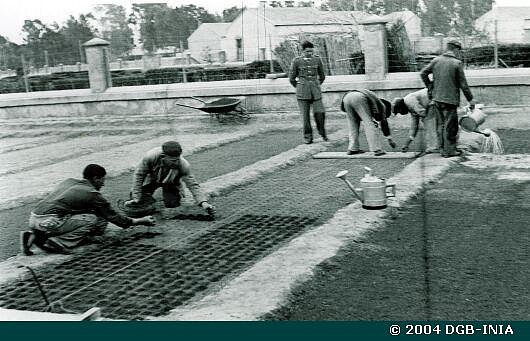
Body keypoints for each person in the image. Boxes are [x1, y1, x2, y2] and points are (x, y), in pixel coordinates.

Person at [20, 164, 155, 255]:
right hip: (51, 220)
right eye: (102, 179)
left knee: (80, 214)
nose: (103, 183)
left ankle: (33, 235)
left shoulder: (69, 181)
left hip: (35, 217)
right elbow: (115, 218)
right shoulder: (92, 194)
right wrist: (141, 220)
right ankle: (60, 242)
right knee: (91, 219)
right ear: (96, 178)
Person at [124, 141, 215, 218]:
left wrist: (203, 202)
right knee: (137, 201)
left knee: (172, 204)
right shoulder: (150, 157)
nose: (176, 163)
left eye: (177, 159)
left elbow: (193, 184)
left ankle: (164, 198)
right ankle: (152, 200)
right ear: (163, 156)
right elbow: (139, 175)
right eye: (172, 160)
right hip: (152, 178)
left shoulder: (183, 164)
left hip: (171, 182)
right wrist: (136, 197)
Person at [420, 39, 476, 157]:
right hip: (450, 100)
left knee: (440, 125)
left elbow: (423, 73)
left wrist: (430, 87)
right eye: (459, 50)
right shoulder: (456, 63)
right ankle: (450, 151)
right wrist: (471, 99)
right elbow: (463, 85)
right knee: (450, 126)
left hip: (436, 99)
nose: (459, 53)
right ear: (455, 49)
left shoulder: (436, 60)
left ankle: (442, 148)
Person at [289, 40, 328, 144]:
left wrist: (316, 85)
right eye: (307, 51)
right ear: (302, 52)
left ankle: (322, 132)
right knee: (305, 117)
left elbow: (322, 76)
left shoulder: (317, 59)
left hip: (316, 92)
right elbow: (292, 78)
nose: (310, 53)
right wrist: (300, 86)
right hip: (302, 92)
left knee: (320, 113)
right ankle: (308, 137)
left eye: (311, 51)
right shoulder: (296, 61)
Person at [340, 89, 397, 156]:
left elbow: (360, 116)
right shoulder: (382, 106)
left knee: (353, 124)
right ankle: (377, 149)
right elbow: (383, 121)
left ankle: (352, 149)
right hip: (359, 97)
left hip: (346, 97)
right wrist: (389, 138)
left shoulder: (373, 102)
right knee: (369, 124)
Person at [392, 88, 440, 153]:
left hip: (434, 98)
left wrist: (421, 118)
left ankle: (434, 147)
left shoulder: (409, 101)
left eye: (399, 111)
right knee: (429, 122)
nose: (400, 114)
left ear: (400, 106)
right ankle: (435, 145)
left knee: (429, 122)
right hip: (431, 101)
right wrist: (407, 144)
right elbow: (414, 127)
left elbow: (422, 113)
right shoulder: (409, 107)